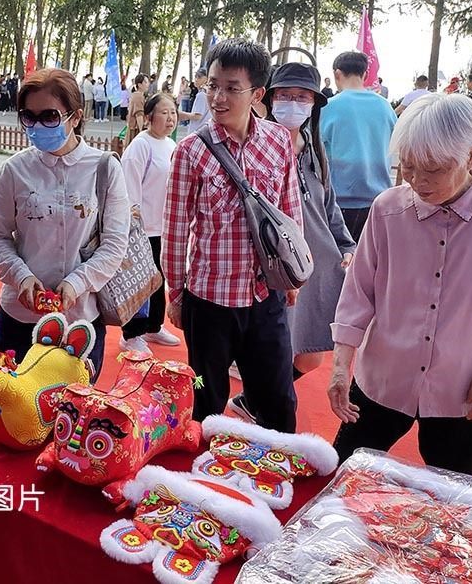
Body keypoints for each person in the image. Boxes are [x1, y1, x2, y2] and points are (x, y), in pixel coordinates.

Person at [328, 93, 472, 478]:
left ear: (471, 156)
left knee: (455, 496)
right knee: (340, 475)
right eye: (409, 167)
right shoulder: (387, 210)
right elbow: (358, 294)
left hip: (464, 389)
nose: (418, 181)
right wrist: (340, 366)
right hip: (383, 378)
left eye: (434, 169)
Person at [161, 38, 302, 431]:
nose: (218, 98)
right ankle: (204, 468)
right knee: (205, 399)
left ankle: (277, 463)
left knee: (277, 400)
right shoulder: (191, 151)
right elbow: (175, 229)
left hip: (265, 296)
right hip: (209, 302)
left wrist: (293, 275)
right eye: (212, 85)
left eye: (231, 88)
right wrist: (176, 293)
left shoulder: (278, 140)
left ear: (257, 93)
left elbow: (290, 209)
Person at [226, 62, 355, 422]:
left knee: (310, 355)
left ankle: (252, 401)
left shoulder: (314, 151)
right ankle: (263, 407)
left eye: (302, 97)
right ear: (268, 99)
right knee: (276, 353)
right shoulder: (253, 148)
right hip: (272, 272)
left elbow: (329, 207)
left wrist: (347, 246)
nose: (293, 104)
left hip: (313, 268)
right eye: (285, 96)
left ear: (314, 104)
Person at [0, 68, 129, 377]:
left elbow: (115, 243)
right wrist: (22, 278)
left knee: (73, 404)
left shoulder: (104, 169)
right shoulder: (14, 170)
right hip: (20, 319)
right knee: (13, 400)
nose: (38, 126)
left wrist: (76, 283)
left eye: (49, 116)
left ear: (76, 117)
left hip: (80, 321)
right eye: (29, 117)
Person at [119, 92, 182, 353]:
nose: (170, 118)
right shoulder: (140, 146)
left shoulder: (171, 145)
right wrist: (133, 226)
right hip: (142, 228)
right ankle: (131, 334)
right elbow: (129, 188)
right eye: (164, 113)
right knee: (140, 281)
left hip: (163, 226)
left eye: (173, 112)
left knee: (159, 278)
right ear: (148, 117)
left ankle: (154, 327)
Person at [319, 51, 397, 243]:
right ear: (365, 74)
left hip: (338, 203)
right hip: (380, 202)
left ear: (337, 74)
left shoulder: (327, 108)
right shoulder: (385, 107)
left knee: (342, 257)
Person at [177, 68, 209, 140]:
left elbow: (197, 116)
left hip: (197, 133)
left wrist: (181, 114)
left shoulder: (201, 95)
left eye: (199, 77)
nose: (196, 79)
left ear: (206, 79)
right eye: (195, 76)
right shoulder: (208, 93)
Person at [125, 73, 150, 144]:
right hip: (135, 129)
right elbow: (139, 115)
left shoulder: (136, 95)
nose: (147, 84)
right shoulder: (138, 96)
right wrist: (141, 131)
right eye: (145, 82)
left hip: (132, 127)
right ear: (139, 84)